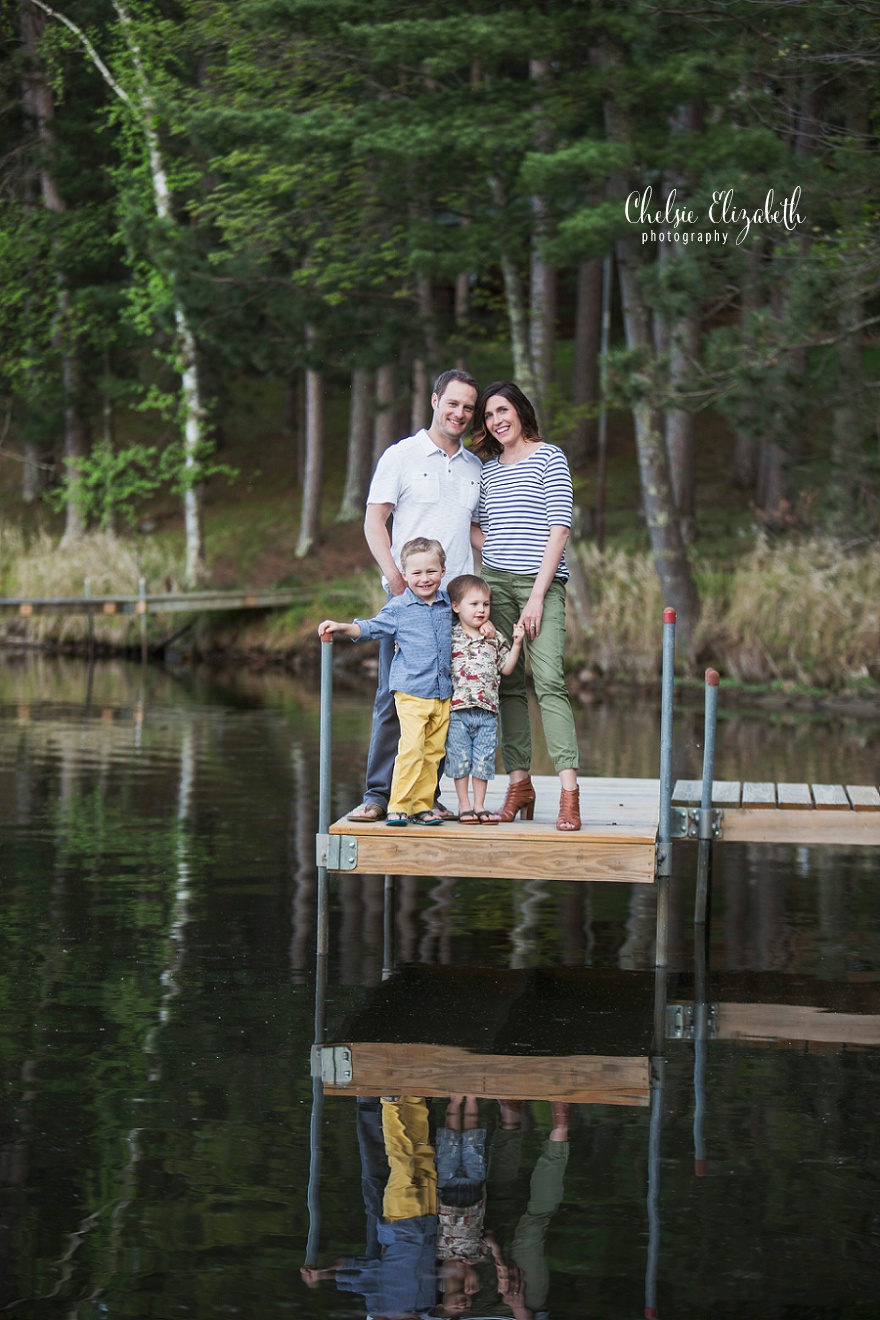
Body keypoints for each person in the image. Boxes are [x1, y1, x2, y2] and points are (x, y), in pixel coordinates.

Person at [347, 369, 482, 824]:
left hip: (455, 607)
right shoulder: (402, 455)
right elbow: (374, 521)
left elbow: (476, 533)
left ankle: (427, 796)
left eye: (468, 407)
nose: (460, 413)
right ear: (435, 400)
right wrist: (395, 578)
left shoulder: (474, 468)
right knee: (393, 696)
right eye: (454, 403)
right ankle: (377, 795)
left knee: (444, 701)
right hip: (409, 601)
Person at [470, 382, 581, 831]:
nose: (497, 420)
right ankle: (519, 784)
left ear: (519, 410)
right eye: (489, 416)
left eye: (503, 410)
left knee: (550, 681)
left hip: (542, 587)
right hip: (496, 583)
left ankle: (569, 792)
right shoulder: (488, 471)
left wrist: (536, 595)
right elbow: (478, 527)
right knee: (506, 683)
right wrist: (494, 547)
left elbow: (560, 528)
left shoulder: (550, 457)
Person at [318, 538, 452, 826]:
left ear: (443, 570)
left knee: (434, 753)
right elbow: (371, 627)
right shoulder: (398, 608)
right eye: (416, 573)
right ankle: (398, 805)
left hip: (442, 693)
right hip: (412, 692)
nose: (425, 579)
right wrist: (343, 627)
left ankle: (422, 805)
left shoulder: (447, 605)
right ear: (404, 575)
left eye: (431, 571)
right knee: (412, 749)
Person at [446, 575, 524, 823]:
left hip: (488, 712)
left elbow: (507, 668)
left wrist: (518, 644)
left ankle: (479, 805)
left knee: (483, 761)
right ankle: (464, 805)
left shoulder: (495, 638)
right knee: (460, 760)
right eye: (474, 604)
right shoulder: (450, 637)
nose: (481, 609)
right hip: (458, 710)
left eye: (486, 604)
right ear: (456, 606)